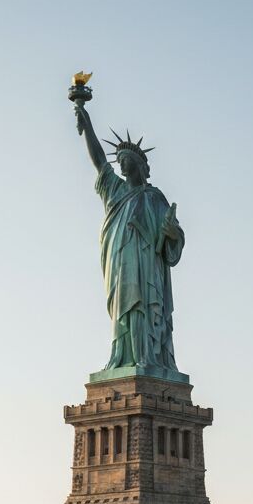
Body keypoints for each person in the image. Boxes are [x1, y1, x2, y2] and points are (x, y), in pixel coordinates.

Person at [74, 95, 184, 373]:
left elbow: (173, 236)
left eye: (125, 160)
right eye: (120, 160)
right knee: (123, 309)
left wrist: (173, 234)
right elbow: (100, 161)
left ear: (139, 165)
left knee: (143, 308)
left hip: (147, 267)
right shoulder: (115, 190)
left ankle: (148, 359)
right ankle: (122, 358)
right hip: (120, 264)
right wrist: (86, 124)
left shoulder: (154, 197)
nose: (121, 165)